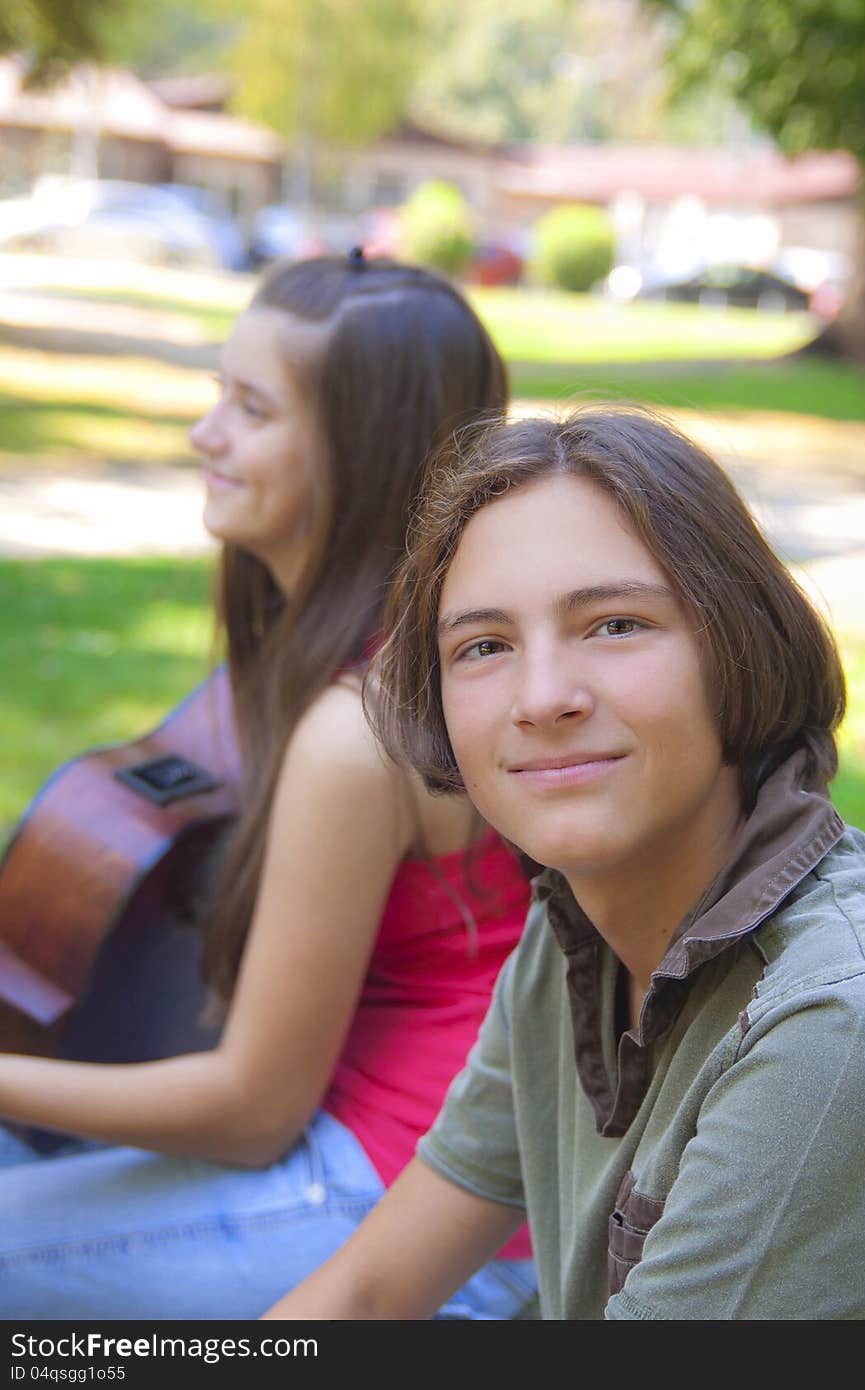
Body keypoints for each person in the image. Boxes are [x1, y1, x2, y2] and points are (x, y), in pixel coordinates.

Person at [0, 254, 537, 1321]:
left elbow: (253, 1107)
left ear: (361, 454)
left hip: (412, 1214)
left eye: (251, 409)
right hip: (392, 1164)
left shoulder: (362, 726)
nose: (206, 436)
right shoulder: (386, 650)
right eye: (218, 395)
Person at [264, 405, 865, 1321]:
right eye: (485, 647)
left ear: (739, 645)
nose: (543, 697)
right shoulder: (574, 938)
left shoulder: (831, 1021)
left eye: (616, 625)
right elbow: (367, 1293)